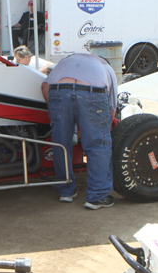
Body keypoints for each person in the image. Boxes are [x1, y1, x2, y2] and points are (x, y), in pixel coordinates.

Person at [41, 53, 118, 209]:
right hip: (91, 92)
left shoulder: (66, 61)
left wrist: (56, 112)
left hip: (59, 91)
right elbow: (111, 109)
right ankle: (97, 196)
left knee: (61, 143)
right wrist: (100, 128)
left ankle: (66, 191)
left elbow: (44, 87)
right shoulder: (106, 67)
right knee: (98, 144)